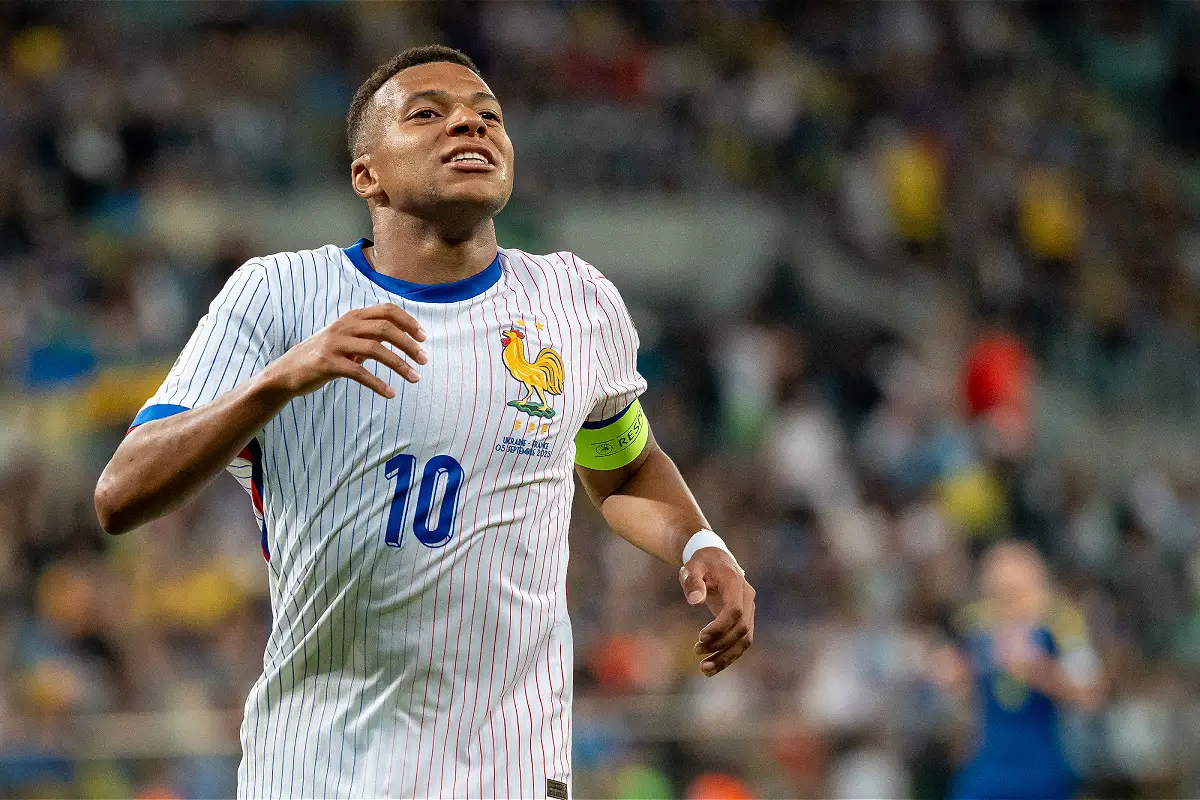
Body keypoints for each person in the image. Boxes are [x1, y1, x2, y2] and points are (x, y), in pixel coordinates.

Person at [93, 45, 755, 799]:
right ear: (365, 174)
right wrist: (280, 380)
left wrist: (700, 543)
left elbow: (624, 463)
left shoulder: (576, 302)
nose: (468, 124)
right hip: (319, 772)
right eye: (428, 114)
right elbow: (121, 493)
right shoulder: (280, 296)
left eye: (487, 115)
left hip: (510, 773)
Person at [935, 541, 1102, 800]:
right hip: (987, 763)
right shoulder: (975, 624)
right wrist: (952, 675)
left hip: (1042, 765)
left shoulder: (1061, 622)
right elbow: (960, 682)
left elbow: (1089, 694)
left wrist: (1038, 671)